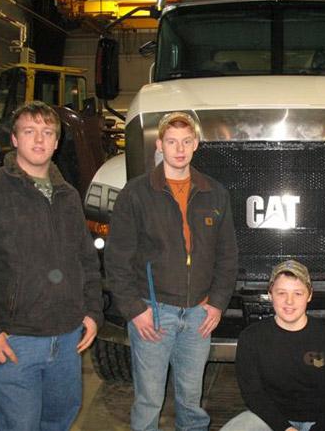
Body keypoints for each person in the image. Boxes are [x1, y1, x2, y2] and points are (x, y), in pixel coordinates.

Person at [0, 101, 103, 431]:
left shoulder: (68, 196)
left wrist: (93, 312)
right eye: (29, 131)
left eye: (47, 132)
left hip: (67, 338)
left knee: (59, 420)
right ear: (14, 139)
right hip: (14, 341)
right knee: (19, 424)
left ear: (56, 142)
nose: (39, 139)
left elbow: (86, 260)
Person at [104, 111, 238, 431]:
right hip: (153, 313)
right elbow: (117, 258)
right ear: (160, 145)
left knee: (191, 399)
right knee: (149, 399)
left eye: (186, 142)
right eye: (172, 142)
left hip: (198, 315)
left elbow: (227, 254)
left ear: (196, 145)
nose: (180, 149)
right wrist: (134, 310)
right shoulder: (136, 194)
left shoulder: (214, 193)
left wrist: (217, 303)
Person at [222, 260, 325, 431]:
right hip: (269, 418)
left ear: (309, 295)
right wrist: (284, 428)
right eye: (281, 293)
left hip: (319, 422)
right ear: (270, 294)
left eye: (298, 293)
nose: (289, 301)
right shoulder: (251, 338)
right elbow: (252, 393)